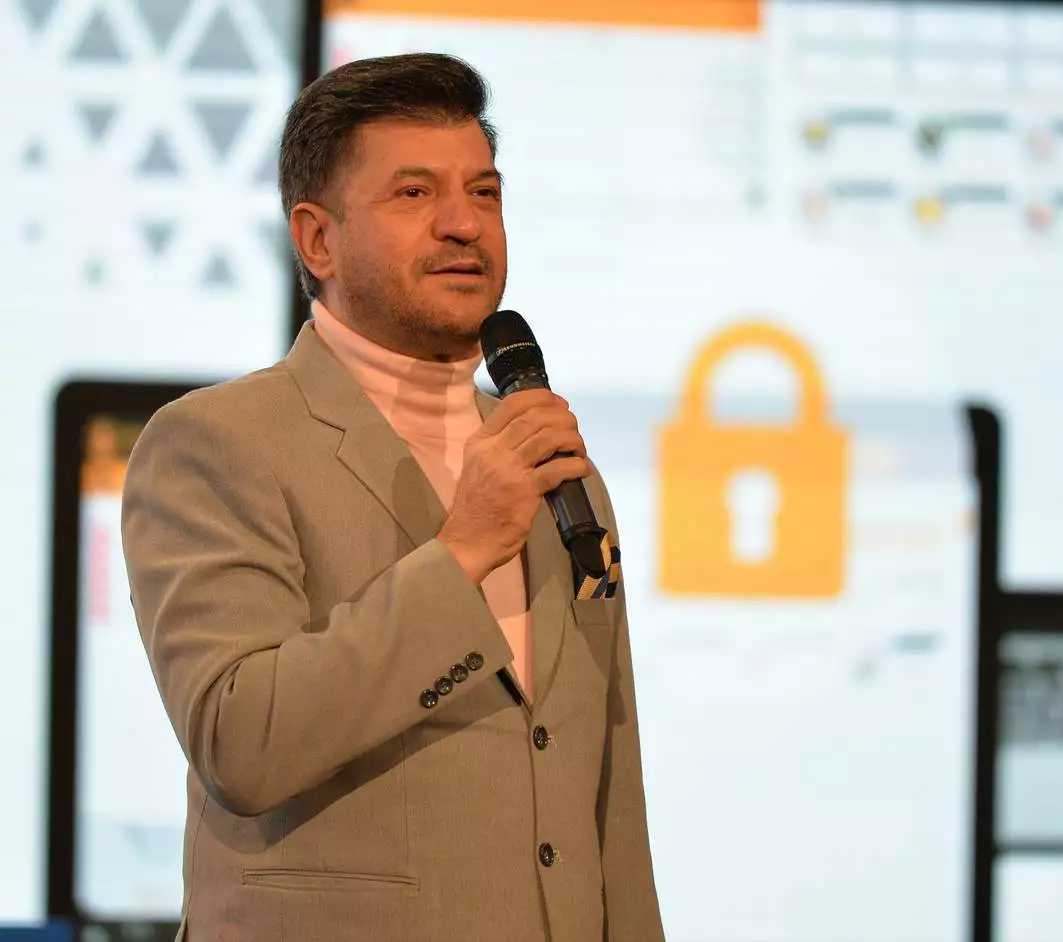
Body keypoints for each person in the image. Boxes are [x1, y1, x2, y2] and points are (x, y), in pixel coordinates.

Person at [121, 53, 665, 942]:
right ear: (317, 240)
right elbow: (240, 743)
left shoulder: (550, 460)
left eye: (484, 193)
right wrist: (463, 550)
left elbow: (607, 782)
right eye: (414, 194)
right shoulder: (216, 442)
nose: (464, 224)